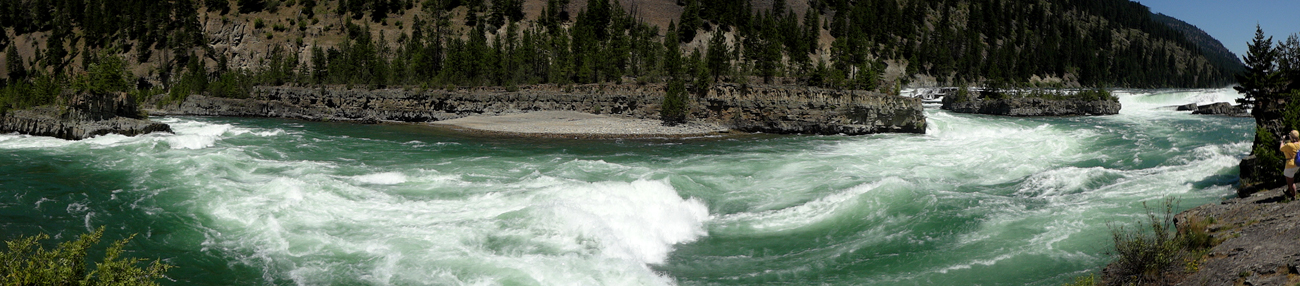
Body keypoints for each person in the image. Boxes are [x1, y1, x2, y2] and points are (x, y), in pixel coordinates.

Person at [1282, 130, 1300, 199]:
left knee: (1290, 182)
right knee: (1290, 179)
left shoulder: (1289, 145)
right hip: (1297, 164)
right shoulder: (1299, 143)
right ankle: (1289, 191)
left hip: (1290, 165)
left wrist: (1282, 141)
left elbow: (1281, 148)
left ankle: (1293, 195)